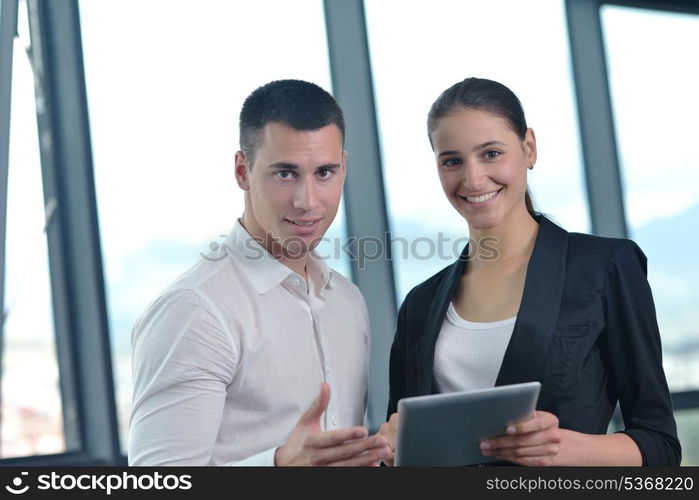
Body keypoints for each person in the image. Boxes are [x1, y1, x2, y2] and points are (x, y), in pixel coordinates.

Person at [379, 77, 681, 466]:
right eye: (452, 161)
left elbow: (660, 446)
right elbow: (400, 449)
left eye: (490, 153)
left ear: (529, 148)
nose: (472, 179)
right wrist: (386, 452)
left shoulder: (605, 268)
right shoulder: (420, 305)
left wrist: (562, 448)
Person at [129, 79, 390, 466]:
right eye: (285, 174)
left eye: (324, 173)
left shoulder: (347, 302)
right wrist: (279, 465)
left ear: (344, 168)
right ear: (242, 171)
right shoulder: (194, 311)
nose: (307, 201)